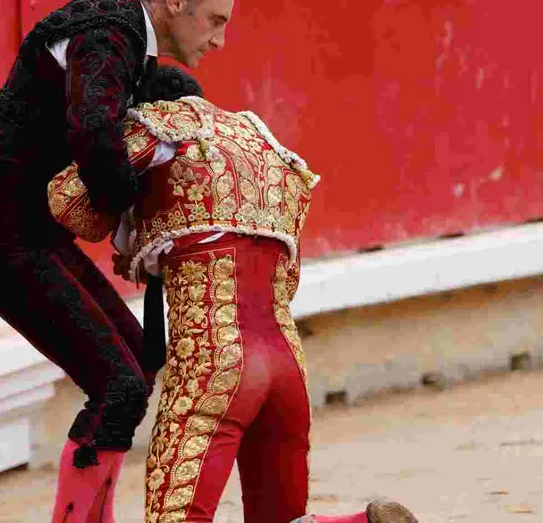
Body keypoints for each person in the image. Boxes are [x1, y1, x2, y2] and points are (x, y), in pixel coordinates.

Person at [55, 65, 419, 523]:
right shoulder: (264, 145)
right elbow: (287, 280)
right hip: (286, 364)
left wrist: (116, 182)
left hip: (214, 359)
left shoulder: (158, 126)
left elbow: (69, 203)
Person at [0, 0, 234, 522]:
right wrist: (131, 216)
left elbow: (164, 97)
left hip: (36, 241)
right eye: (215, 20)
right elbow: (91, 129)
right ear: (175, 0)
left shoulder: (129, 44)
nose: (219, 38)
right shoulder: (109, 34)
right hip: (4, 245)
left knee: (137, 362)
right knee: (120, 385)